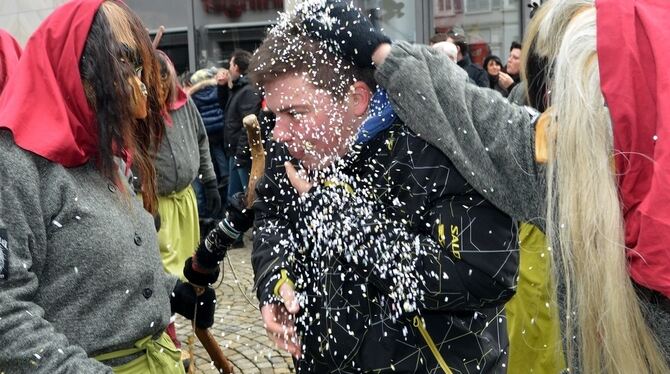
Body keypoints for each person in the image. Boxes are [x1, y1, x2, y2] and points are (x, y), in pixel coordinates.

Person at [366, 0, 669, 372]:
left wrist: (387, 55)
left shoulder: (576, 166)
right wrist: (387, 54)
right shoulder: (579, 161)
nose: (553, 110)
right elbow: (486, 124)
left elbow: (485, 128)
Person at [245, 3, 519, 372]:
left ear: (356, 99)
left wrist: (337, 217)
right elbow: (271, 217)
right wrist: (275, 282)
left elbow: (488, 275)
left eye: (295, 113)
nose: (277, 131)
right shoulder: (297, 147)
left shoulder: (434, 147)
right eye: (272, 114)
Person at [0, 1, 216, 372]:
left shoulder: (105, 152)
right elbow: (7, 313)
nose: (140, 86)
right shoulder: (15, 165)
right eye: (125, 65)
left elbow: (104, 261)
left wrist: (170, 290)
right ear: (78, 70)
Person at [151, 51, 220, 279]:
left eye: (164, 80)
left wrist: (210, 180)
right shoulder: (140, 112)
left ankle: (195, 307)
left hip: (186, 199)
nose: (161, 87)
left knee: (192, 265)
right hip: (157, 202)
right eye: (155, 81)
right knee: (165, 270)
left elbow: (201, 138)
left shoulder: (185, 102)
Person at [219, 49, 262, 203]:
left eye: (231, 64)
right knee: (236, 198)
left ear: (236, 67)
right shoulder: (240, 88)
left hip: (241, 153)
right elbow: (224, 108)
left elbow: (249, 125)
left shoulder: (248, 90)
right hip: (237, 151)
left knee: (248, 198)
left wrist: (241, 154)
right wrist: (222, 87)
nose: (229, 69)